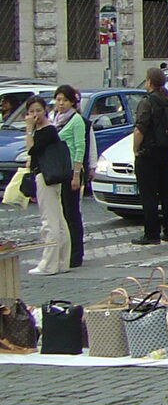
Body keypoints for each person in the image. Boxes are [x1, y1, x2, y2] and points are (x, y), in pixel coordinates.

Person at [131, 67, 168, 246]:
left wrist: (135, 149)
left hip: (149, 153)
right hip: (166, 152)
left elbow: (140, 129)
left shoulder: (147, 103)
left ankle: (151, 234)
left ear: (150, 82)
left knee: (149, 195)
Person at [23, 97, 69, 277]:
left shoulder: (47, 130)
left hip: (46, 177)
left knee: (50, 221)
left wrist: (29, 130)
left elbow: (31, 150)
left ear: (45, 111)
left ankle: (49, 264)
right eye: (31, 111)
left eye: (38, 110)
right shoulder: (45, 129)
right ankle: (62, 261)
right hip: (47, 176)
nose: (35, 115)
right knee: (58, 220)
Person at [50, 85, 92, 268]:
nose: (61, 103)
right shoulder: (53, 119)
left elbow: (80, 148)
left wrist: (77, 175)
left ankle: (76, 254)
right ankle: (63, 252)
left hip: (71, 171)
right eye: (58, 100)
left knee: (71, 213)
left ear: (72, 102)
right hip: (57, 170)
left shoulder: (76, 120)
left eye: (65, 100)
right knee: (60, 213)